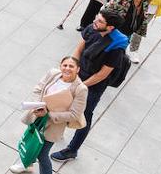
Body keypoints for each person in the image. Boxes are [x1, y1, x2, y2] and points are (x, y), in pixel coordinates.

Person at [53, 9, 128, 162]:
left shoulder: (116, 48)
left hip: (93, 85)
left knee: (84, 115)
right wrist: (72, 70)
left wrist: (80, 86)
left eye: (100, 21)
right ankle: (58, 131)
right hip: (79, 74)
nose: (95, 22)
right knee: (65, 104)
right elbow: (80, 47)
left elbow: (102, 74)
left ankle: (72, 150)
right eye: (97, 18)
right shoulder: (93, 28)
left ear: (110, 28)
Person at [11, 57, 87, 174]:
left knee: (42, 153)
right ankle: (27, 164)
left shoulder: (81, 89)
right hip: (38, 116)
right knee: (32, 141)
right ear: (60, 66)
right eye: (65, 65)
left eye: (71, 66)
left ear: (78, 69)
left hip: (54, 124)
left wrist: (49, 114)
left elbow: (75, 114)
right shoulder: (53, 73)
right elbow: (38, 88)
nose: (67, 68)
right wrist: (36, 105)